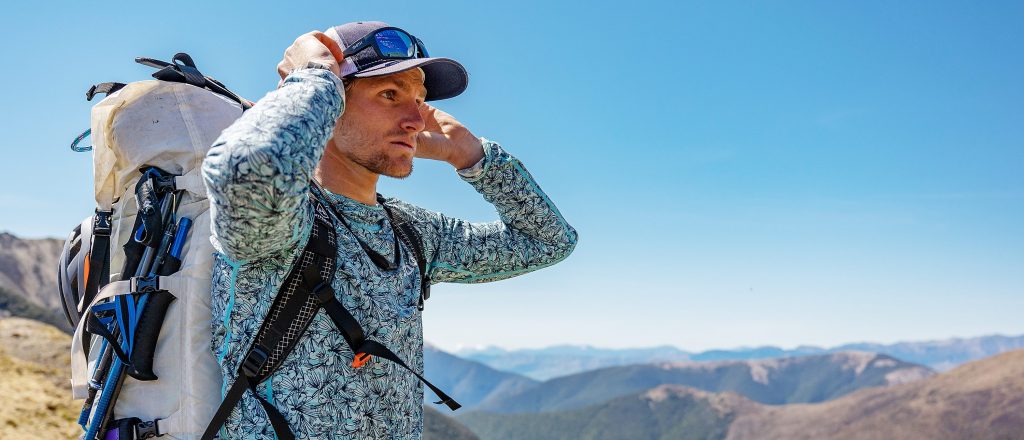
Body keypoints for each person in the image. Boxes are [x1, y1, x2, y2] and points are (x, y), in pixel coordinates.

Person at [202, 21, 577, 438]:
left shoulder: (412, 231)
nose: (416, 119)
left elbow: (548, 241)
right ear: (333, 104)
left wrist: (470, 154)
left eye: (419, 99)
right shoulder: (285, 222)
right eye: (389, 94)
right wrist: (316, 77)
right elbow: (248, 168)